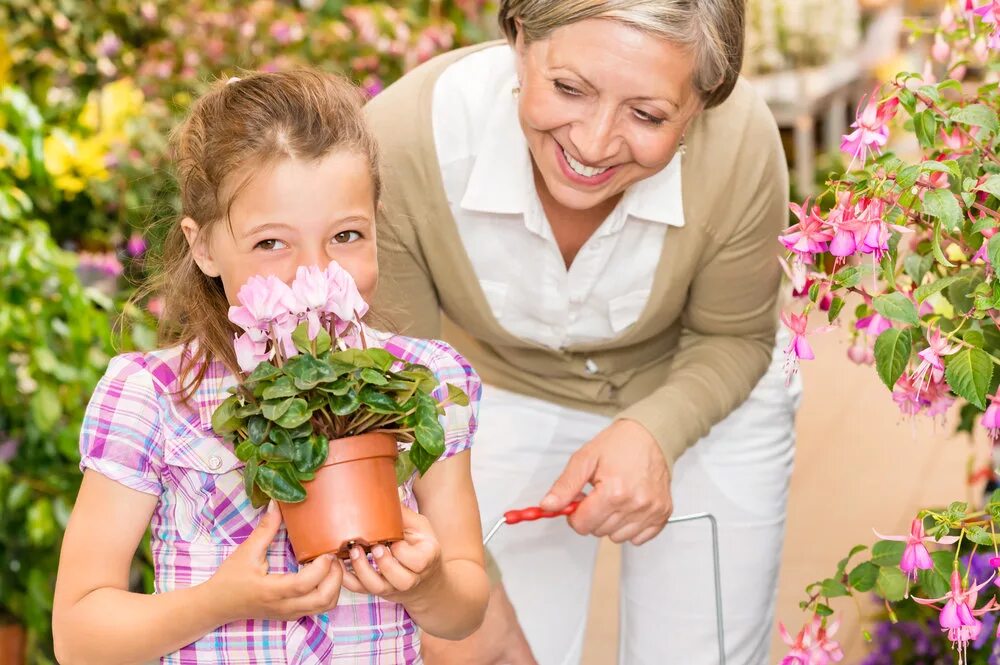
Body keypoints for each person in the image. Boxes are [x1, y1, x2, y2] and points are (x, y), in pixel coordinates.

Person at [365, 1, 802, 663]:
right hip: (489, 397)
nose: (593, 144)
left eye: (648, 114)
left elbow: (734, 337)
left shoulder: (740, 143)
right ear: (518, 40)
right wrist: (461, 581)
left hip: (706, 391)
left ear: (701, 104)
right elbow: (402, 392)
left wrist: (655, 429)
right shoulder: (403, 142)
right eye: (569, 89)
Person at [51, 69, 488, 664]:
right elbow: (79, 637)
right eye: (271, 244)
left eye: (347, 234)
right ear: (203, 246)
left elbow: (465, 607)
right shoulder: (151, 395)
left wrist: (429, 582)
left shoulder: (425, 383)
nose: (314, 273)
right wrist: (220, 601)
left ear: (378, 222)